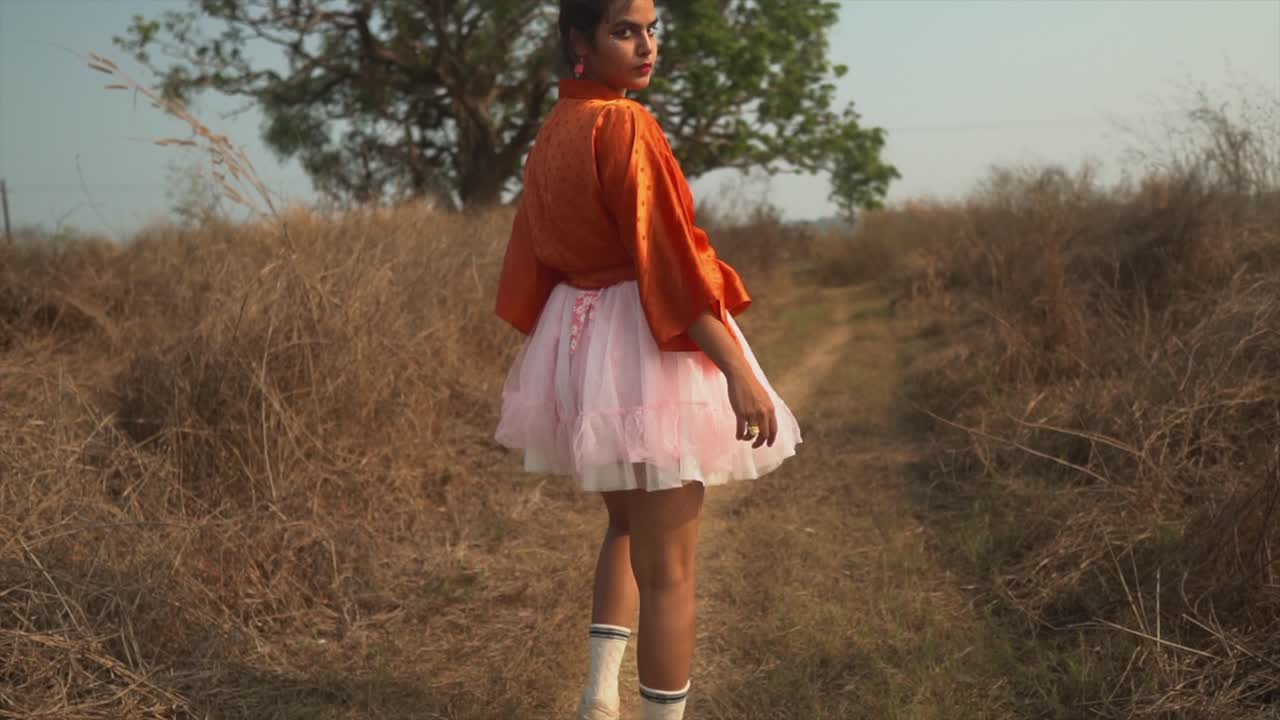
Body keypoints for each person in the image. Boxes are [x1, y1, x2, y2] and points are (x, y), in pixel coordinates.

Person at [493, 1, 801, 717]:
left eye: (652, 27)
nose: (646, 44)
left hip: (582, 335)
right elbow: (669, 264)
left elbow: (532, 256)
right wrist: (738, 371)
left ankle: (599, 699)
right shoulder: (624, 122)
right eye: (624, 30)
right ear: (580, 41)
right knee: (671, 570)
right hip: (643, 338)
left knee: (626, 527)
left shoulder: (555, 128)